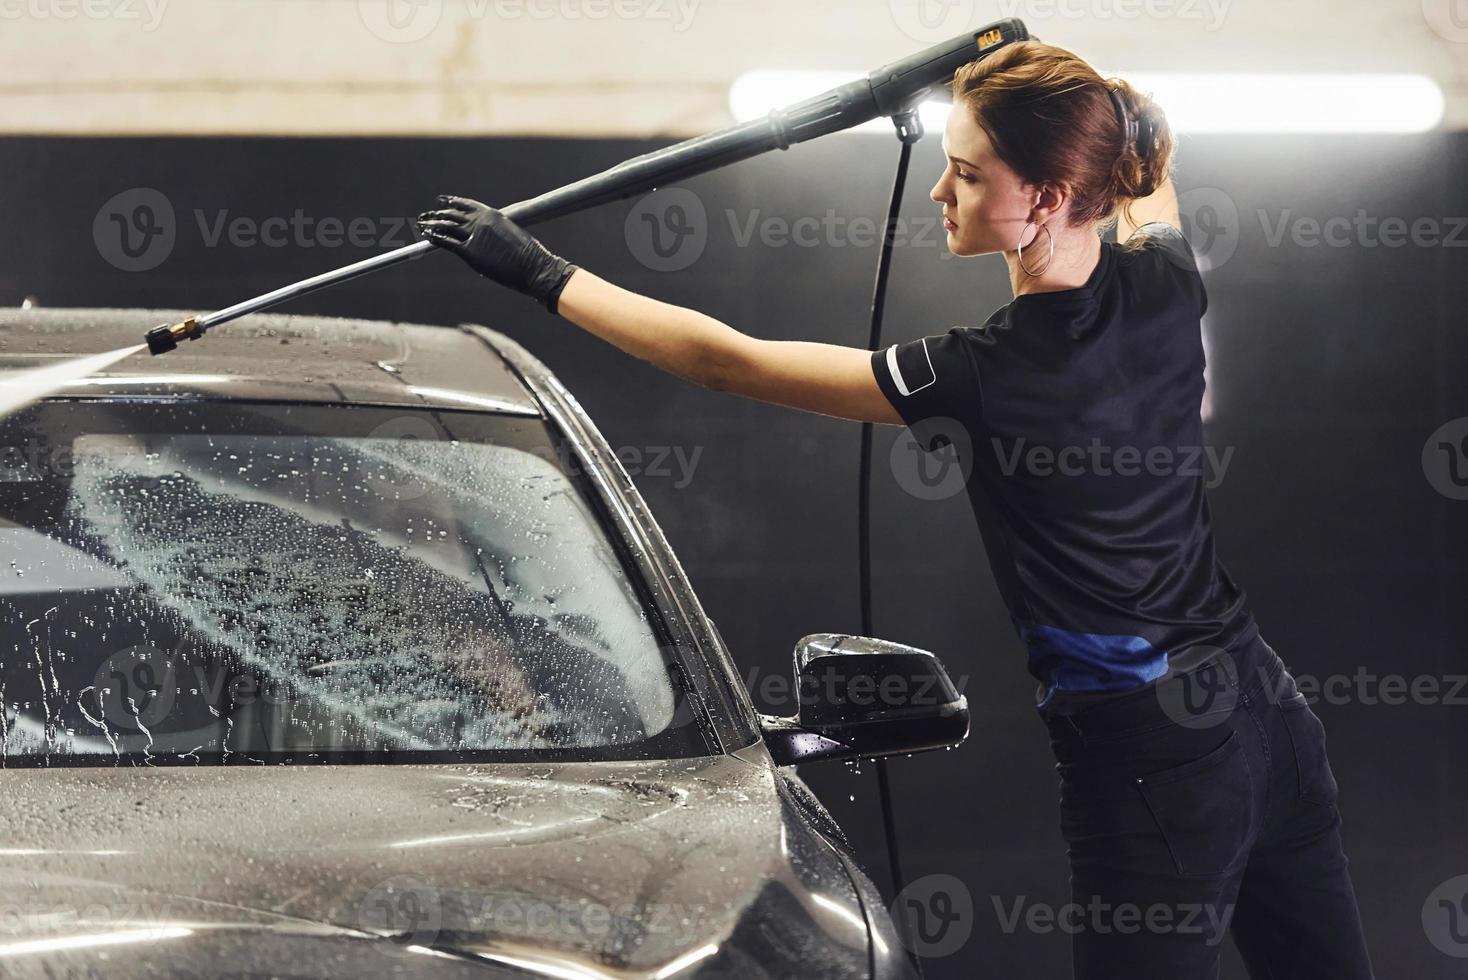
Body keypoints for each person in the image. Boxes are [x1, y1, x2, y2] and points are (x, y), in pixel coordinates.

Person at [417, 38, 1374, 980]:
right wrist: (1039, 68)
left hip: (1150, 759)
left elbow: (729, 360)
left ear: (1043, 198)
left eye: (964, 173)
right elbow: (1143, 140)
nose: (938, 193)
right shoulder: (1167, 280)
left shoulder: (980, 374)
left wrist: (542, 276)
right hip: (1269, 716)